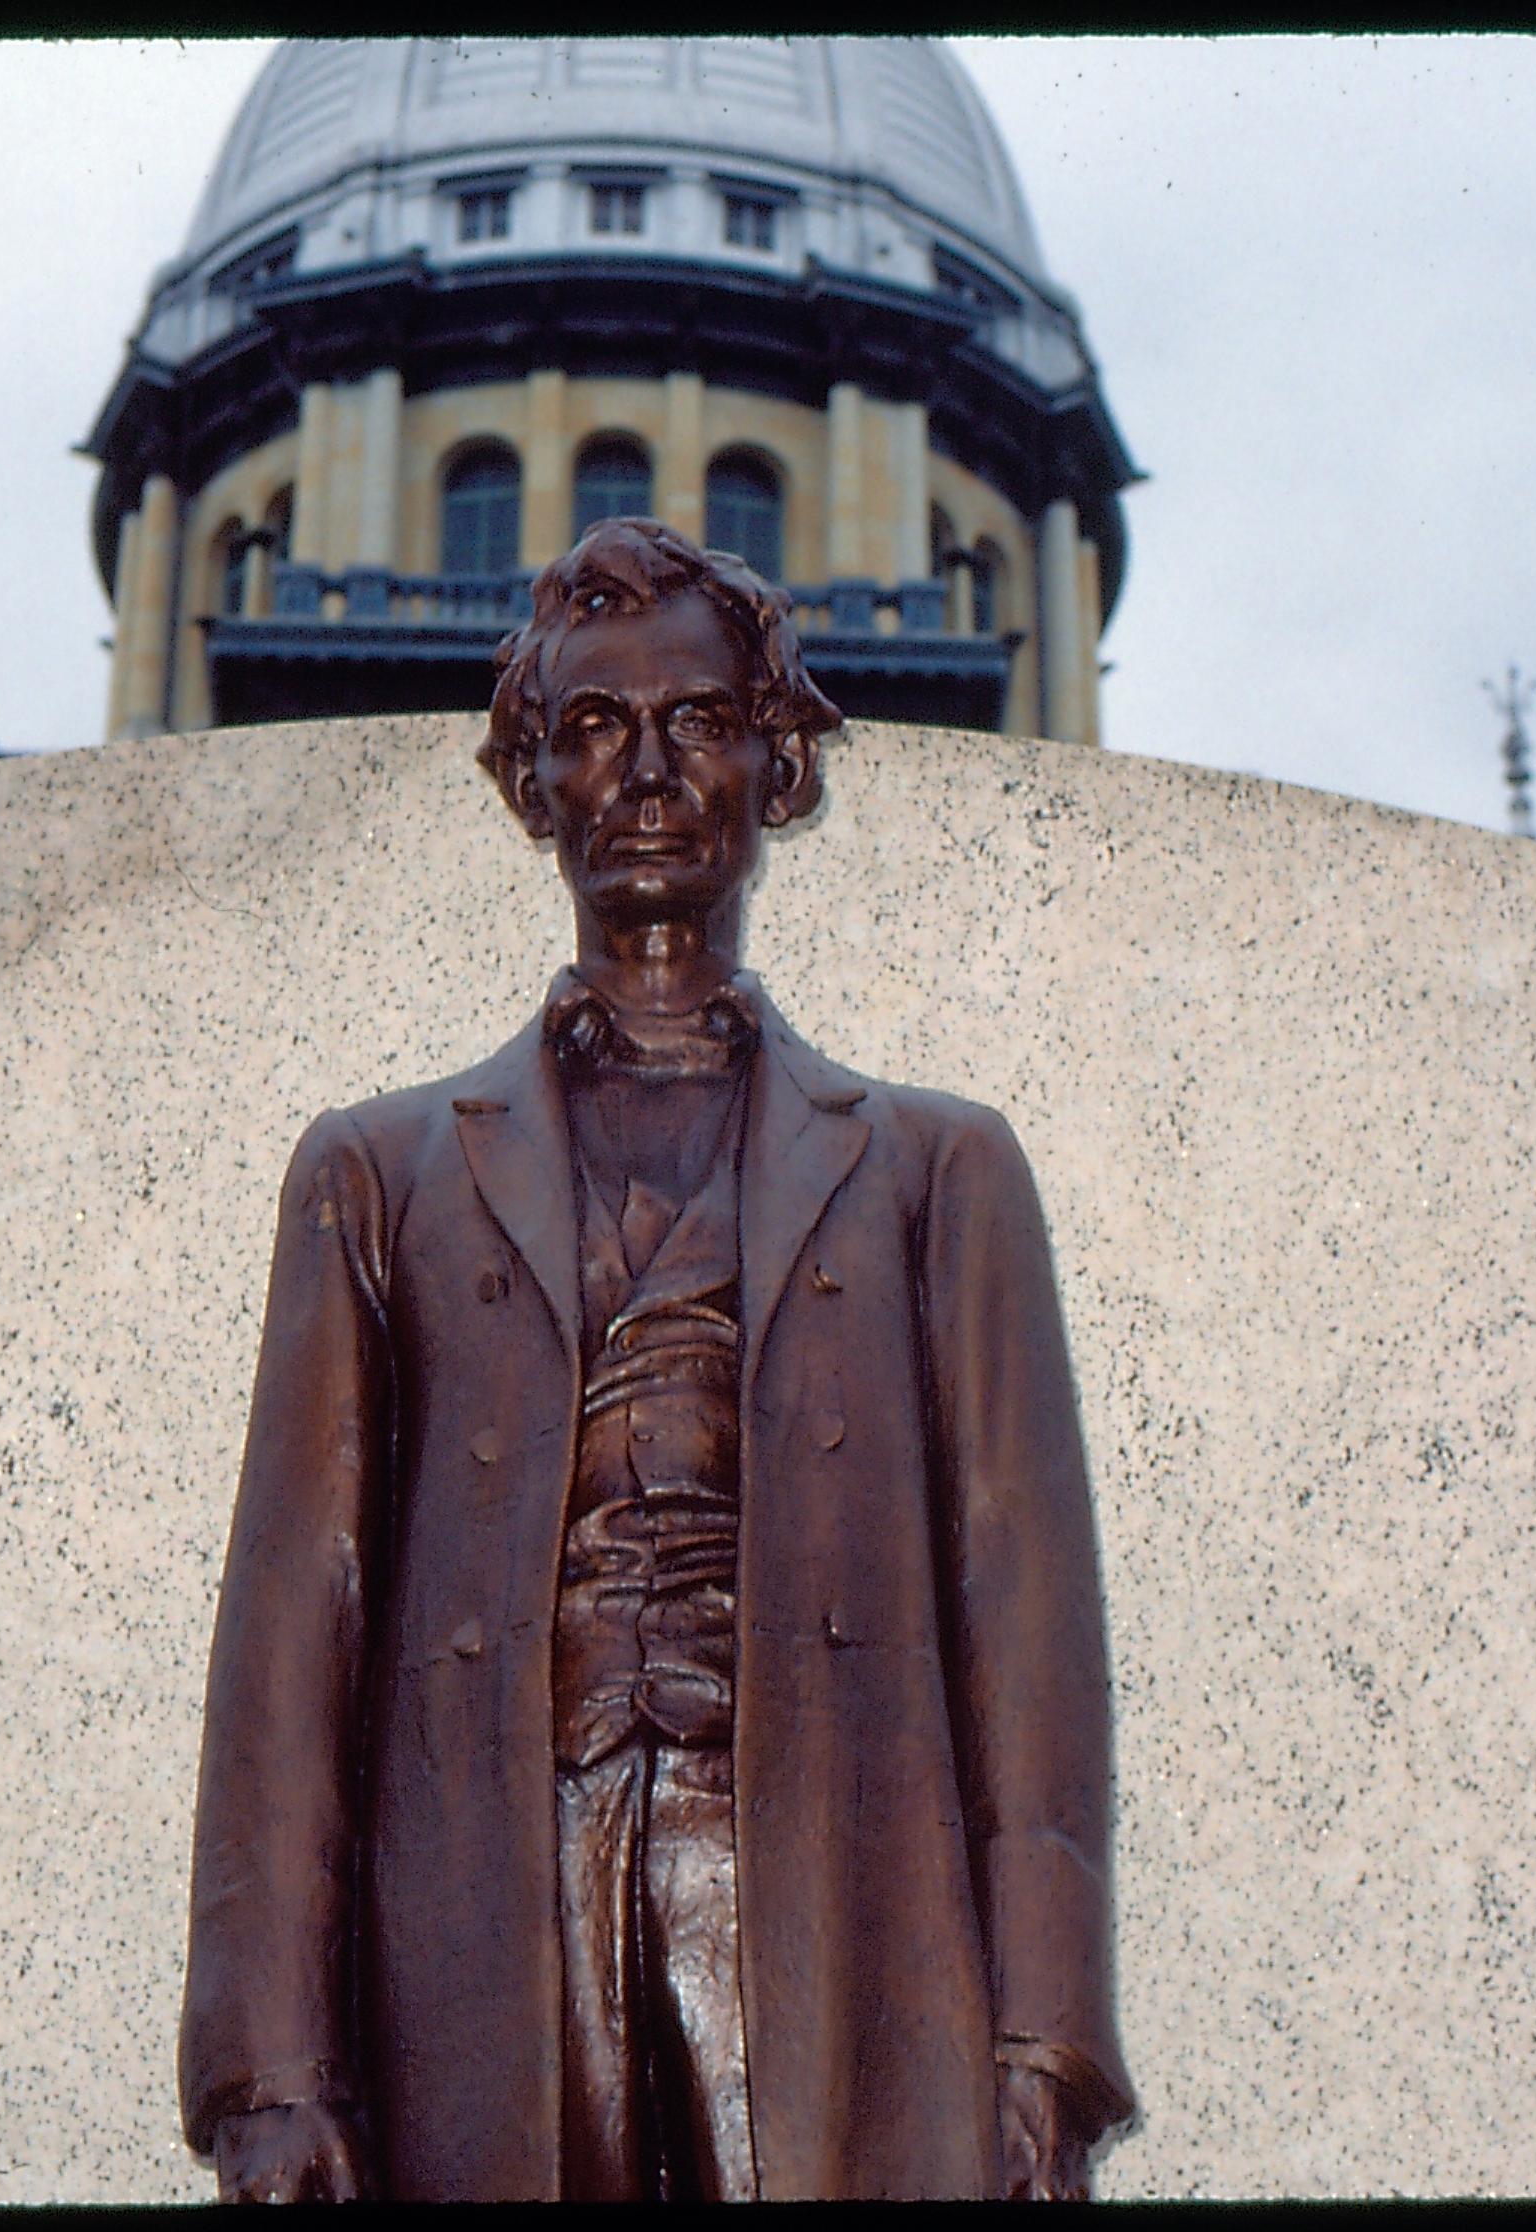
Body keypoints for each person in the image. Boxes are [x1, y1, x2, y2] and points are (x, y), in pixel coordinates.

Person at [179, 518, 1131, 2201]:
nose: (645, 771)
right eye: (596, 727)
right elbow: (292, 1626)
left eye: (694, 721)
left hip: (832, 1890)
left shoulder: (937, 1171)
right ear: (531, 779)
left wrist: (1044, 2041)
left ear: (774, 767)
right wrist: (268, 2065)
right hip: (486, 1901)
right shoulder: (377, 1172)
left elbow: (1026, 1623)